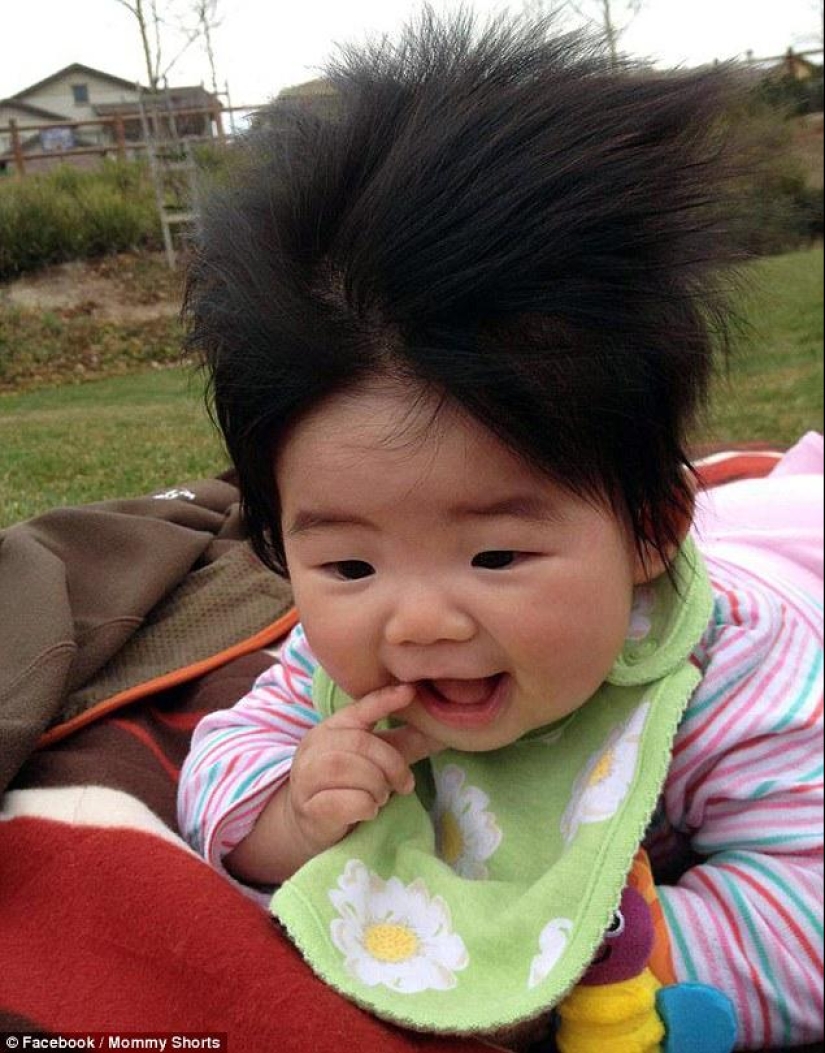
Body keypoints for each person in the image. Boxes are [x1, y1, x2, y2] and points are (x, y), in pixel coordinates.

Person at [177, 11, 823, 1050]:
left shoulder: (734, 674)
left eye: (495, 554)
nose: (417, 621)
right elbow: (222, 757)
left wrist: (564, 951)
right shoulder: (340, 666)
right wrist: (288, 818)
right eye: (348, 562)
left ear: (650, 530)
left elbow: (808, 906)